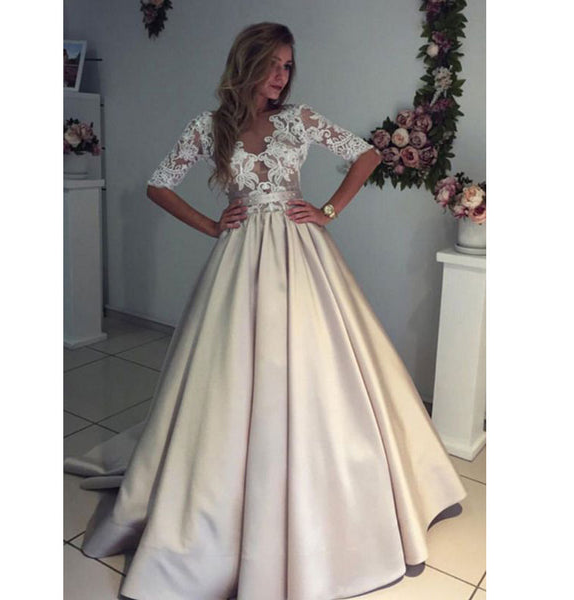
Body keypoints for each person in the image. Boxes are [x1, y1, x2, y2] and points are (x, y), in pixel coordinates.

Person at [64, 22, 467, 600]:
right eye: (274, 64)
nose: (283, 76)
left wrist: (327, 209)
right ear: (248, 64)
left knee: (318, 363)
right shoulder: (209, 126)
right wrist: (211, 224)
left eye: (287, 66)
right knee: (227, 373)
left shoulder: (299, 119)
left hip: (302, 252)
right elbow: (159, 185)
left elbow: (366, 154)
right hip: (239, 256)